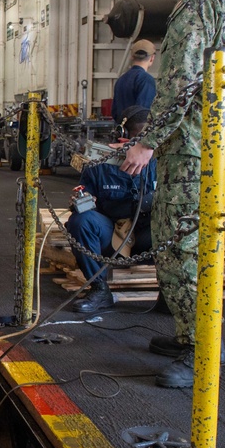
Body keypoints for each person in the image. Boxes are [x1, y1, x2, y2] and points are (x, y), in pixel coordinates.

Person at [119, 0, 225, 388]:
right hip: (216, 150)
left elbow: (177, 83)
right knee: (200, 246)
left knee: (178, 248)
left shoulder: (193, 7)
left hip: (190, 154)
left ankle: (202, 352)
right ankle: (189, 335)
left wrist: (147, 142)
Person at [66, 107, 156, 313]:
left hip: (148, 240)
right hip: (109, 238)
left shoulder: (163, 162)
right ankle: (99, 289)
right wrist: (82, 200)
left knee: (178, 220)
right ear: (122, 135)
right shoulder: (100, 162)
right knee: (81, 220)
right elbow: (85, 200)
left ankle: (169, 296)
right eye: (135, 139)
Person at [111, 39, 156, 127]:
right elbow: (143, 113)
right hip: (137, 134)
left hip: (122, 133)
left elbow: (114, 112)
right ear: (152, 58)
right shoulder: (146, 79)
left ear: (132, 56)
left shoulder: (121, 79)